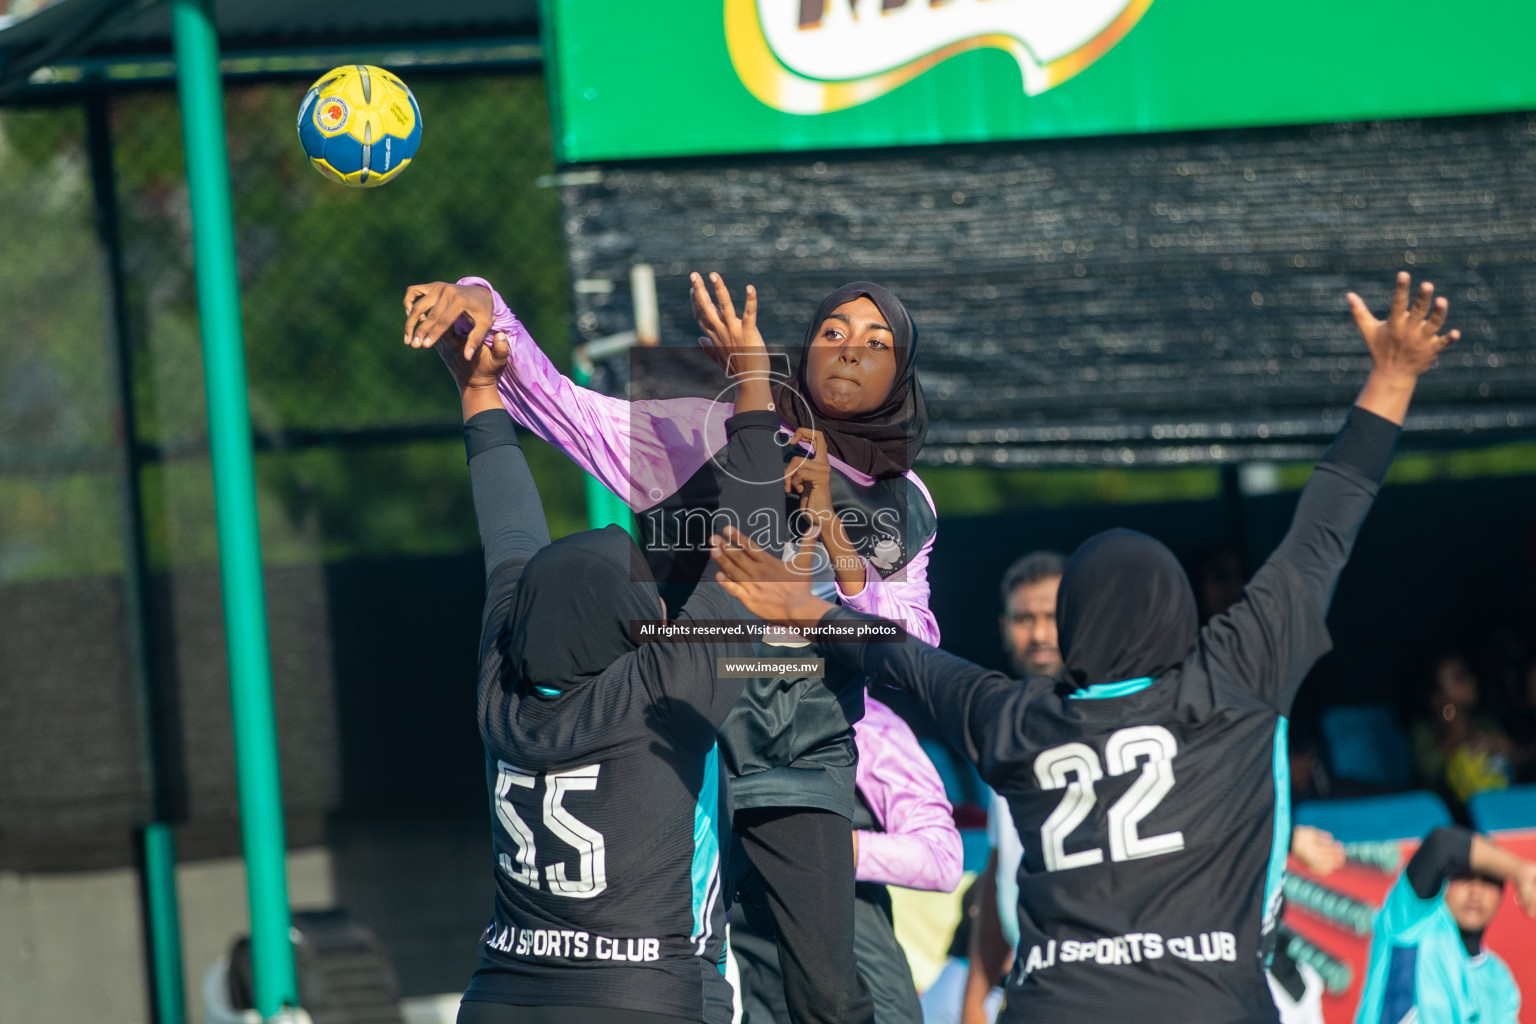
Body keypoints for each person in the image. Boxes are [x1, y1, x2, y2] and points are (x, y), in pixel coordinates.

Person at [709, 272, 1464, 1023]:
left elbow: (900, 659)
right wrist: (1393, 378)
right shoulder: (1231, 685)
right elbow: (1321, 535)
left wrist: (805, 608)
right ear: (1181, 616)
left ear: (1071, 630)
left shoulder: (1019, 719)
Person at [405, 271, 938, 1024]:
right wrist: (484, 307)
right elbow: (563, 408)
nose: (851, 351)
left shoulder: (908, 503)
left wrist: (832, 533)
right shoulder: (707, 430)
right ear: (800, 350)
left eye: (877, 342)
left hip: (803, 753)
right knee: (699, 959)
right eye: (833, 332)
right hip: (685, 736)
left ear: (902, 374)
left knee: (829, 989)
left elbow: (913, 644)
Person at [438, 291, 801, 1023]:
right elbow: (751, 544)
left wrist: (478, 391)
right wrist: (753, 385)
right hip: (633, 996)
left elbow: (511, 542)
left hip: (500, 991)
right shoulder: (656, 694)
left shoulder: (500, 682)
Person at [731, 696, 964, 1024]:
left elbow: (944, 858)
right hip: (767, 988)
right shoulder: (725, 713)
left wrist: (818, 847)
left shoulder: (868, 721)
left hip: (861, 993)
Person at [956, 552, 1066, 1024]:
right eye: (1025, 619)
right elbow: (1003, 873)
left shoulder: (1115, 721)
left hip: (1099, 986)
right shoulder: (1005, 727)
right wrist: (973, 1002)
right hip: (1029, 987)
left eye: (1052, 617)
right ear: (1004, 626)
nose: (1039, 634)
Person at [1355, 826, 1536, 1024]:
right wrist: (1520, 871)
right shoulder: (1411, 922)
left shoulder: (1499, 979)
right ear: (1444, 881)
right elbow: (1442, 844)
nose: (1476, 892)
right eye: (1464, 876)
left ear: (1502, 893)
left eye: (1488, 880)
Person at [1410, 654, 1515, 805]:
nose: (1471, 681)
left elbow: (1517, 764)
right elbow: (1429, 771)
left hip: (1496, 804)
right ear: (1436, 695)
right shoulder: (1424, 730)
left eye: (1468, 674)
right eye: (1459, 678)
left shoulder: (1485, 722)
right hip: (1443, 810)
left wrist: (1506, 747)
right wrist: (1455, 731)